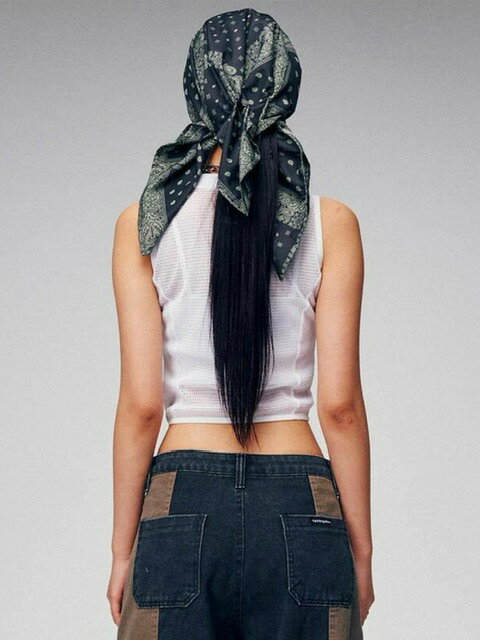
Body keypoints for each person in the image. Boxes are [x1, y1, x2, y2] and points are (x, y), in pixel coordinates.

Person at [107, 7, 374, 640]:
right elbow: (340, 409)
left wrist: (123, 550)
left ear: (196, 87)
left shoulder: (143, 224)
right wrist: (360, 552)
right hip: (302, 507)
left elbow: (142, 407)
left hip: (179, 501)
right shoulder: (332, 223)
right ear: (285, 86)